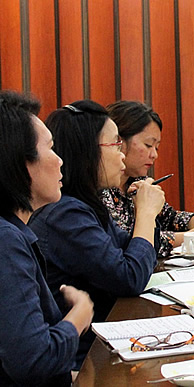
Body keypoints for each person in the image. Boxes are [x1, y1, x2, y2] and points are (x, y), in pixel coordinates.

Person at [29, 100, 165, 368]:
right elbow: (129, 277)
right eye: (116, 145)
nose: (122, 155)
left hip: (107, 345)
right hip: (84, 360)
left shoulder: (86, 204)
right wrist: (146, 215)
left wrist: (147, 217)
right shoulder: (65, 214)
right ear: (87, 152)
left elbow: (137, 252)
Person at [0, 91, 94, 386]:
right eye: (51, 148)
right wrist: (80, 314)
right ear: (21, 161)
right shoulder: (6, 242)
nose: (60, 160)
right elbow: (33, 360)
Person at [101, 100, 194, 256]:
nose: (154, 154)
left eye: (156, 147)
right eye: (148, 145)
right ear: (119, 142)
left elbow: (169, 217)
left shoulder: (135, 181)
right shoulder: (101, 187)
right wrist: (192, 236)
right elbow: (127, 242)